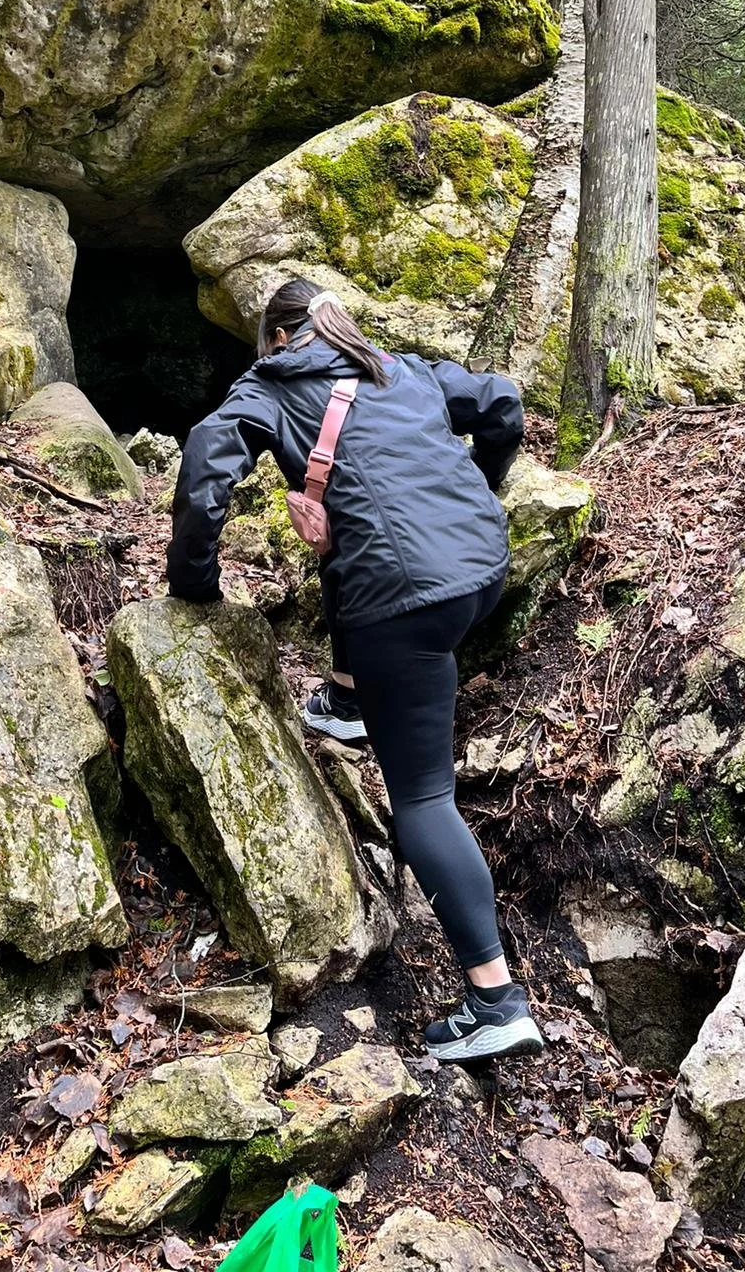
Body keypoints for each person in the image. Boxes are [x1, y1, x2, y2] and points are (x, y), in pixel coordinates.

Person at [166, 277, 542, 1063]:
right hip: (480, 569)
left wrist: (196, 586)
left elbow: (205, 469)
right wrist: (480, 488)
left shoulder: (266, 385)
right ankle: (346, 700)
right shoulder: (395, 366)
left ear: (273, 337)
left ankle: (495, 1000)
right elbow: (503, 402)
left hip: (403, 602)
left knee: (424, 799)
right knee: (342, 546)